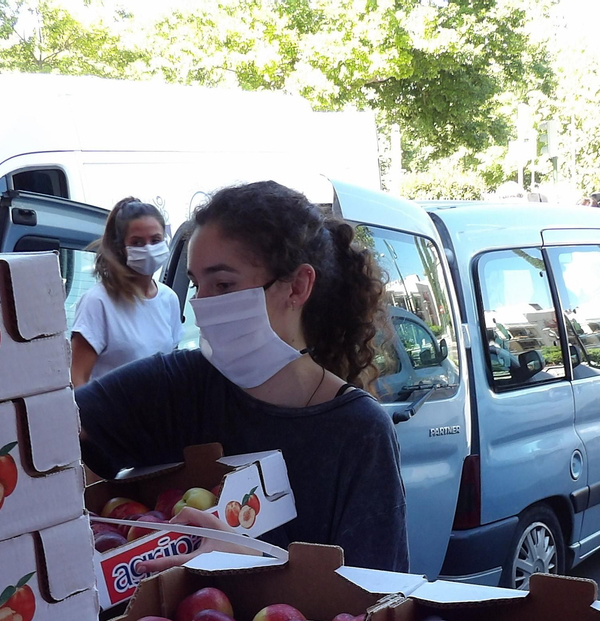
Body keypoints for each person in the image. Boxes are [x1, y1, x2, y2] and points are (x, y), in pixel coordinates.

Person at [74, 180, 409, 572]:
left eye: (224, 284)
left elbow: (375, 601)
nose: (202, 305)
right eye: (198, 285)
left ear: (297, 286)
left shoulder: (358, 434)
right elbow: (50, 438)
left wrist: (259, 563)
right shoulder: (177, 387)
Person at [69, 197, 182, 386]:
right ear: (121, 248)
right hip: (112, 413)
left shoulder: (168, 298)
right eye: (137, 242)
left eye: (155, 240)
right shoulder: (98, 302)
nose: (148, 249)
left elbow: (171, 365)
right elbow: (77, 378)